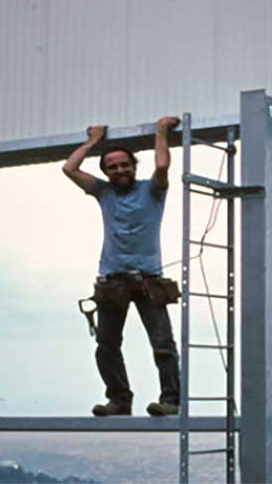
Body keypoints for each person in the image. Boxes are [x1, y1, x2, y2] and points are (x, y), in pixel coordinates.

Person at [62, 116, 182, 417]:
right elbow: (69, 168)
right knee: (107, 345)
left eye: (124, 165)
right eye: (112, 167)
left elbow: (162, 166)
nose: (119, 170)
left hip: (147, 279)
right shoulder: (104, 192)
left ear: (134, 166)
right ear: (105, 172)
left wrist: (160, 132)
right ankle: (119, 401)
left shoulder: (152, 190)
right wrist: (93, 141)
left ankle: (171, 400)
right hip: (112, 281)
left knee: (162, 344)